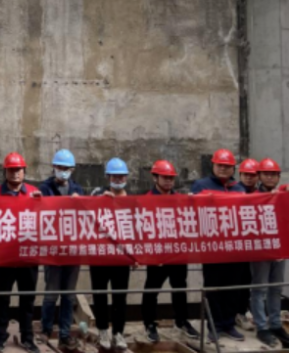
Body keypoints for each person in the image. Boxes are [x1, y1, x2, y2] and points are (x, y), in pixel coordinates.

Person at [191, 148, 246, 342]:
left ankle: (229, 324)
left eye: (227, 166)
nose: (223, 169)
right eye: (220, 165)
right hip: (212, 248)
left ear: (233, 168)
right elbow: (191, 211)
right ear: (213, 165)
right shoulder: (200, 186)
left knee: (233, 287)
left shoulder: (239, 189)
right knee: (213, 288)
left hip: (235, 248)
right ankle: (214, 325)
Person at [141, 160, 199, 343]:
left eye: (171, 178)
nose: (168, 181)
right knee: (151, 290)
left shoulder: (181, 199)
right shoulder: (146, 200)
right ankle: (149, 323)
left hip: (177, 253)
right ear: (155, 178)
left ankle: (181, 321)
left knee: (180, 287)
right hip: (157, 254)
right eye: (165, 177)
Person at [0, 152, 41, 353]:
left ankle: (27, 337)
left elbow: (45, 220)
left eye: (18, 170)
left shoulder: (34, 193)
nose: (14, 173)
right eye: (11, 170)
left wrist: (41, 203)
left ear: (24, 171)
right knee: (3, 299)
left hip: (28, 256)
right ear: (5, 172)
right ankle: (0, 337)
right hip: (6, 257)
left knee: (27, 299)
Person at [38, 149, 83, 351]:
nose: (63, 171)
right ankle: (46, 330)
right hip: (53, 251)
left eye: (67, 168)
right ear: (54, 167)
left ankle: (65, 334)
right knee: (51, 293)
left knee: (68, 295)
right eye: (60, 167)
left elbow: (86, 215)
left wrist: (80, 202)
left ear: (72, 170)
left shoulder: (77, 189)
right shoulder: (45, 188)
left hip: (72, 251)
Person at [89, 158, 132, 352]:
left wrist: (135, 256)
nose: (118, 179)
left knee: (120, 297)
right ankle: (103, 330)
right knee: (99, 295)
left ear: (126, 178)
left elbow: (136, 231)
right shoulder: (97, 194)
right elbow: (84, 211)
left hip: (121, 258)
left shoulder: (131, 201)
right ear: (108, 177)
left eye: (121, 176)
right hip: (99, 256)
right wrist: (100, 199)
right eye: (115, 176)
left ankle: (118, 333)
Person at [249, 158, 289, 348]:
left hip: (280, 249)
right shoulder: (252, 197)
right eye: (266, 174)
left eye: (273, 174)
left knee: (276, 288)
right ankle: (262, 327)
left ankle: (275, 324)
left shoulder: (284, 196)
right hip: (261, 250)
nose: (270, 177)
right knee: (259, 289)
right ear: (259, 176)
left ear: (278, 177)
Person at [233, 158, 259, 332]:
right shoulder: (233, 192)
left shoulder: (261, 194)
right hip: (236, 246)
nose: (249, 178)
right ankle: (234, 314)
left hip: (254, 245)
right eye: (246, 174)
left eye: (252, 175)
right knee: (237, 280)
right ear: (240, 174)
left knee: (248, 280)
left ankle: (242, 312)